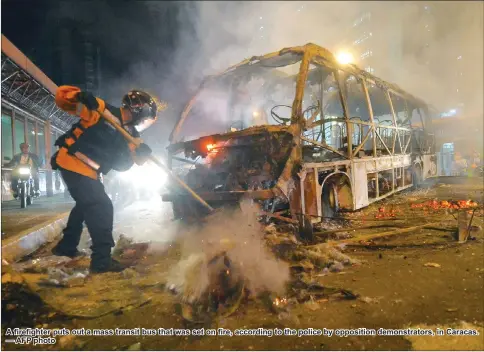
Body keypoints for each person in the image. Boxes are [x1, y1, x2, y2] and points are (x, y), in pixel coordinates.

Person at [50, 86, 159, 273]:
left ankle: (66, 246)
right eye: (147, 116)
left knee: (85, 205)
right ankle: (101, 261)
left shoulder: (132, 135)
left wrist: (143, 153)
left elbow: (135, 161)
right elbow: (62, 100)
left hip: (89, 172)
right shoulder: (101, 109)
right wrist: (79, 96)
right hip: (71, 161)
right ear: (140, 111)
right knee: (101, 206)